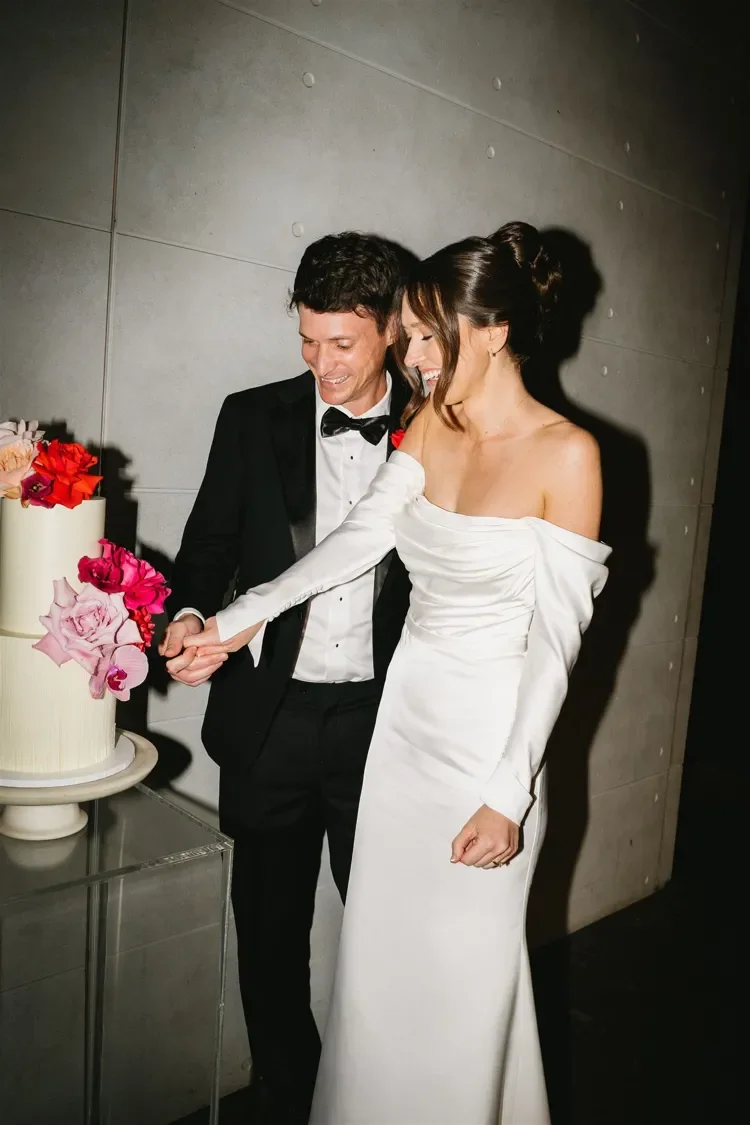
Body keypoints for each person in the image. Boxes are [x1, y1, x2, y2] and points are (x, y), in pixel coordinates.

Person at [185, 222, 611, 1124]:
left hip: (488, 750)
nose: (413, 358)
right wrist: (228, 623)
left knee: (462, 974)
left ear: (492, 331)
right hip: (403, 738)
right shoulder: (429, 428)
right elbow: (348, 547)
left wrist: (510, 791)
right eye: (410, 336)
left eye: (426, 335)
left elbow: (557, 642)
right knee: (378, 971)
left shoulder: (568, 454)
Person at [159, 232, 414, 1125]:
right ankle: (289, 1094)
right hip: (268, 724)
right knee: (267, 937)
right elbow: (206, 551)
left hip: (387, 730)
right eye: (307, 339)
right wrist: (189, 617)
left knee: (388, 939)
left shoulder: (438, 430)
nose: (321, 364)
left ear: (389, 327)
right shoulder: (251, 415)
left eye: (342, 342)